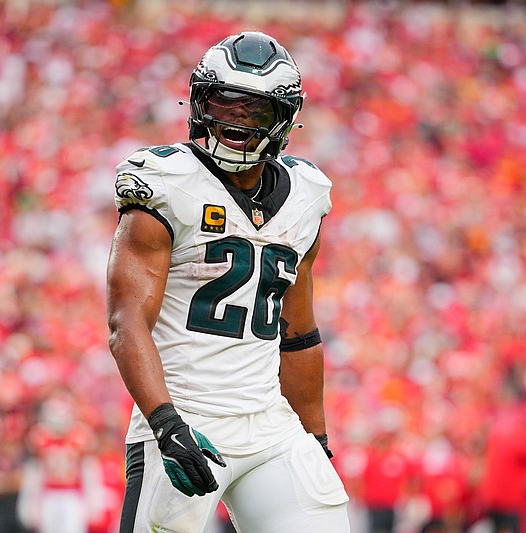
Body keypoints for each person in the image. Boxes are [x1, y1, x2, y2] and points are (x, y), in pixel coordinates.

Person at [106, 31, 350, 533]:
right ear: (199, 101)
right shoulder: (166, 183)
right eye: (224, 103)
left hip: (268, 424)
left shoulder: (305, 195)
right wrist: (165, 424)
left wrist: (317, 441)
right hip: (184, 418)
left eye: (253, 111)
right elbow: (126, 319)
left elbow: (299, 334)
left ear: (282, 121)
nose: (235, 123)